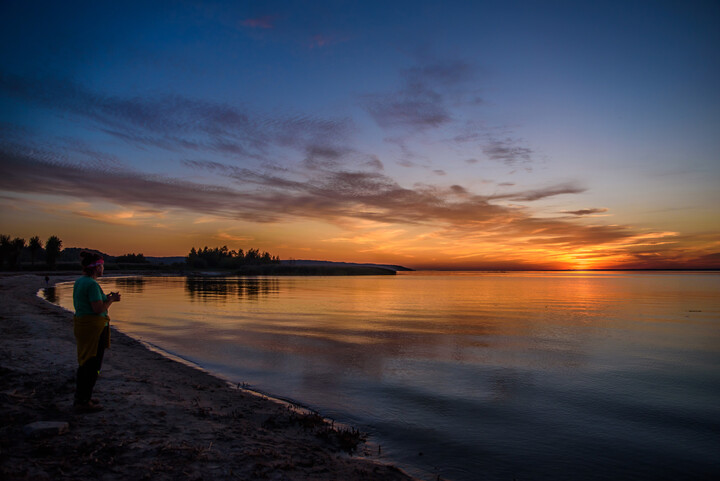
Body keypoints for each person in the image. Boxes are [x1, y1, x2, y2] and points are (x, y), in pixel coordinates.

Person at [72, 252, 121, 413]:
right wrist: (112, 300)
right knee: (92, 365)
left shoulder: (81, 281)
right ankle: (83, 402)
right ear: (96, 267)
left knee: (86, 362)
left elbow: (91, 302)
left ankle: (83, 396)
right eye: (102, 265)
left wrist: (107, 298)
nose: (103, 268)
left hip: (83, 325)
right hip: (93, 328)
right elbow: (98, 309)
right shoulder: (92, 284)